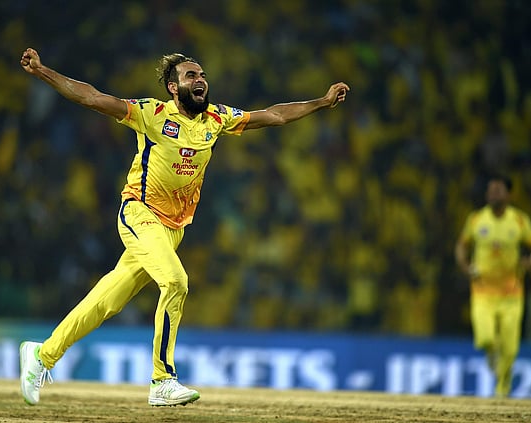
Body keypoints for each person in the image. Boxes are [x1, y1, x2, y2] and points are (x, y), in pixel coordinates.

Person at [18, 47, 350, 407]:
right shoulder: (152, 114)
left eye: (202, 75)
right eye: (191, 75)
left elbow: (274, 115)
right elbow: (92, 97)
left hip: (173, 228)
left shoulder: (217, 118)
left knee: (106, 301)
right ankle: (162, 380)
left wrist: (321, 102)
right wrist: (43, 72)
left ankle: (42, 354)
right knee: (176, 281)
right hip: (139, 213)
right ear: (173, 88)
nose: (200, 80)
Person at [455, 174, 531, 398]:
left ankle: (502, 391)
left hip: (511, 293)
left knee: (510, 348)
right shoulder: (476, 219)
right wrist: (466, 267)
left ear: (509, 194)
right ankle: (491, 352)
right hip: (483, 291)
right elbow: (461, 247)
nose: (493, 194)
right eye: (490, 190)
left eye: (498, 190)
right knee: (485, 338)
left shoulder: (519, 221)